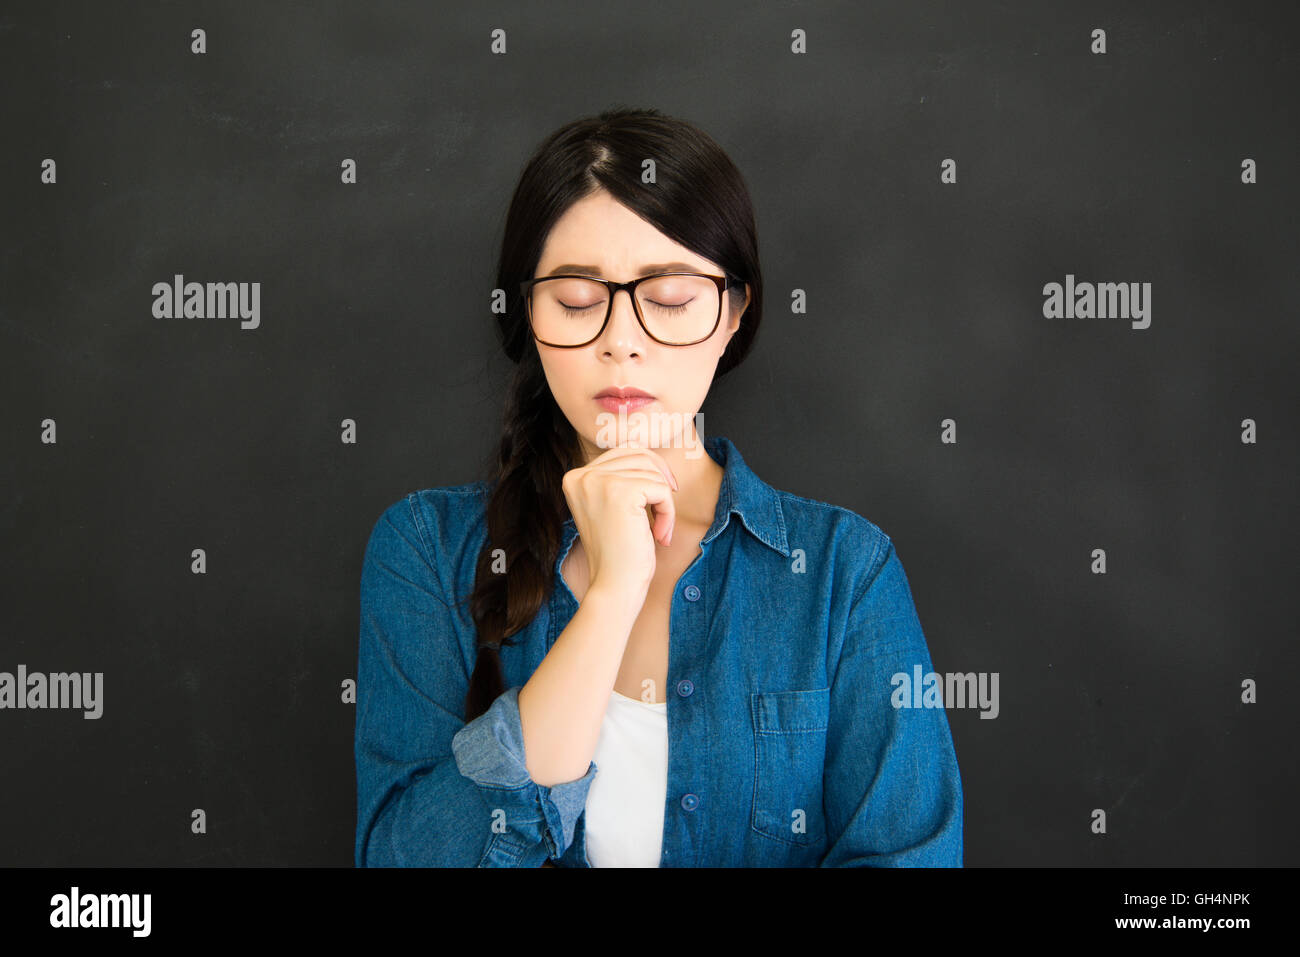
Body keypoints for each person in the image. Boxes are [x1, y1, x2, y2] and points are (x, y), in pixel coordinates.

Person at [354, 107, 963, 867]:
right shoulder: (424, 549)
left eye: (669, 298)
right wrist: (609, 599)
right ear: (530, 313)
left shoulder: (844, 571)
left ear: (734, 311)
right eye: (577, 300)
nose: (622, 339)